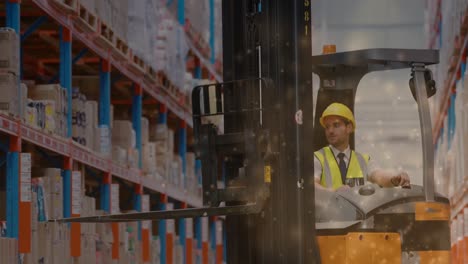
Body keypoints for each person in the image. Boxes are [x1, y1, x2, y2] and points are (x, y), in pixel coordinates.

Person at [314, 102, 410, 191]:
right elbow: (313, 186)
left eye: (336, 125)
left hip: (356, 210)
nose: (330, 131)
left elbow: (379, 176)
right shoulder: (318, 158)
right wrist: (335, 193)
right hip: (328, 210)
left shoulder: (363, 160)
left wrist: (395, 178)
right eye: (327, 127)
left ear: (349, 128)